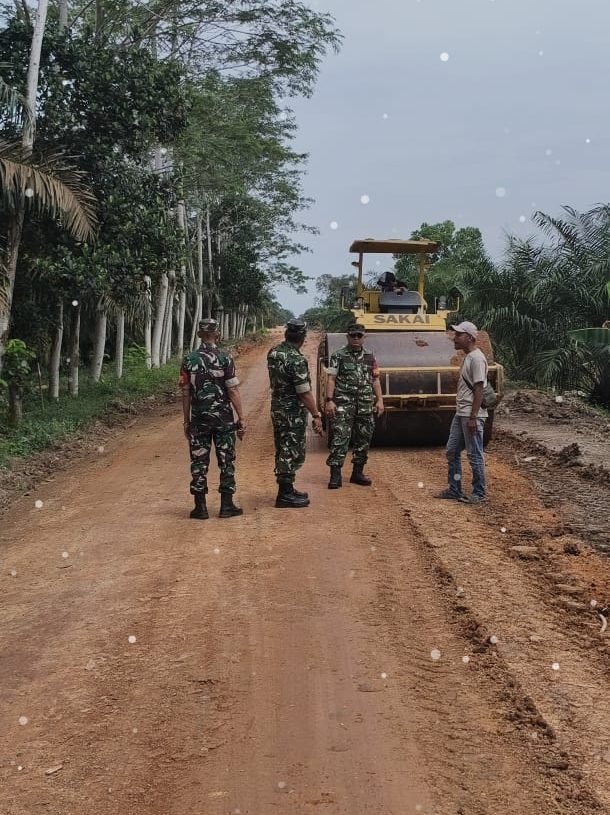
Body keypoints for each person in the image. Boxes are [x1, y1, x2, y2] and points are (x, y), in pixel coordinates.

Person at [179, 317, 246, 520]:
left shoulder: (189, 359)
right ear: (217, 334)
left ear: (200, 334)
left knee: (199, 461)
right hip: (223, 419)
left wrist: (186, 421)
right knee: (226, 460)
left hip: (199, 420)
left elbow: (185, 392)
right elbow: (232, 390)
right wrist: (241, 417)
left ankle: (200, 508)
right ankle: (227, 506)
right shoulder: (225, 358)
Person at [267, 319, 323, 508]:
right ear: (303, 337)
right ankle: (284, 495)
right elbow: (304, 392)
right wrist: (316, 415)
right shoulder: (297, 360)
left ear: (286, 334)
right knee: (291, 450)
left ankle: (288, 489)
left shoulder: (273, 353)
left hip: (278, 408)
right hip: (292, 412)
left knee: (282, 448)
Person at [325, 323, 385, 488]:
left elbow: (375, 379)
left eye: (359, 335)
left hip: (365, 404)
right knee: (340, 438)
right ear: (347, 337)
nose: (356, 338)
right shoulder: (338, 355)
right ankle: (335, 475)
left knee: (364, 439)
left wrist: (380, 400)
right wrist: (329, 400)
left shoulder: (370, 356)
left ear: (364, 337)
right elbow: (331, 379)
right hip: (344, 404)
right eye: (353, 336)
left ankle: (357, 473)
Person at [435, 320, 488, 504]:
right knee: (452, 450)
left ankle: (479, 493)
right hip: (462, 412)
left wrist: (473, 417)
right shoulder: (468, 357)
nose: (454, 338)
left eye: (458, 335)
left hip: (470, 415)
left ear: (470, 337)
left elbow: (479, 389)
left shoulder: (477, 359)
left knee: (474, 454)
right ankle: (454, 489)